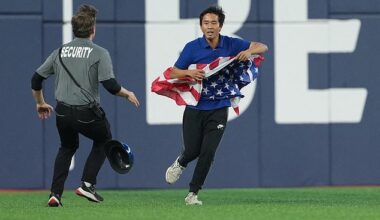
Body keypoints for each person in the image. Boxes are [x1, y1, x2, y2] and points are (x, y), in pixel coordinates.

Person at [31, 4, 140, 207]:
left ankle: (55, 194)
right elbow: (111, 86)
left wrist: (40, 103)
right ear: (93, 30)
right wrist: (128, 94)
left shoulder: (60, 52)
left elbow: (36, 79)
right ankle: (87, 184)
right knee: (104, 140)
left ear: (75, 29)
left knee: (67, 147)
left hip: (62, 113)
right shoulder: (99, 53)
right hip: (86, 113)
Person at [164, 5, 268, 205]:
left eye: (214, 23)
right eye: (206, 23)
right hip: (195, 107)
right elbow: (172, 73)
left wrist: (248, 51)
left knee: (208, 152)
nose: (210, 26)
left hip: (219, 108)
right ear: (201, 26)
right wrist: (188, 73)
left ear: (220, 26)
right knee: (193, 150)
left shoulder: (231, 44)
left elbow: (262, 46)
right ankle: (181, 162)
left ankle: (193, 193)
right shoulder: (192, 48)